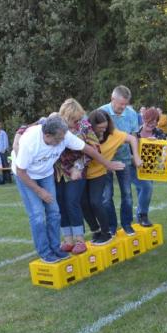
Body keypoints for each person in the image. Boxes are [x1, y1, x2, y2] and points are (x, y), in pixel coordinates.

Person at [17, 114, 127, 261]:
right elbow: (20, 172)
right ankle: (45, 252)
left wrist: (109, 164)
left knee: (54, 212)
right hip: (26, 176)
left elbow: (89, 150)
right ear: (47, 135)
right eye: (58, 140)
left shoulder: (64, 135)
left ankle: (56, 248)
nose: (63, 142)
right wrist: (40, 191)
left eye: (63, 138)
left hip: (46, 173)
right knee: (37, 215)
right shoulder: (29, 143)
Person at [81, 110, 141, 245]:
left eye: (105, 127)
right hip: (83, 174)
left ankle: (107, 231)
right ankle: (96, 230)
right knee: (84, 204)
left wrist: (136, 157)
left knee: (97, 202)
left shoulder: (114, 135)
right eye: (100, 128)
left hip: (99, 173)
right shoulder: (85, 136)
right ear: (91, 127)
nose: (103, 130)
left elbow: (132, 138)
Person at [54, 99, 99, 255]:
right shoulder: (55, 124)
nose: (76, 122)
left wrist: (79, 166)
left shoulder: (85, 126)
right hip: (58, 171)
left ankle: (80, 240)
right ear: (65, 117)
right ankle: (68, 240)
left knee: (72, 201)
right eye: (73, 120)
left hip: (77, 169)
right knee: (60, 203)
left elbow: (95, 148)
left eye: (78, 119)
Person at [99, 85, 139, 236]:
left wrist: (136, 156)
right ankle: (111, 227)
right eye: (121, 103)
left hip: (124, 160)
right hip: (105, 161)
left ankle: (127, 224)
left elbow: (134, 136)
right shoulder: (101, 112)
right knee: (106, 196)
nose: (123, 107)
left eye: (126, 104)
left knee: (127, 193)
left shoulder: (131, 114)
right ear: (112, 99)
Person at [132, 107, 165, 227]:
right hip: (134, 166)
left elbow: (164, 152)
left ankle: (139, 217)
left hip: (149, 167)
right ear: (144, 119)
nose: (153, 124)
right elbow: (129, 150)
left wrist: (156, 143)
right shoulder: (135, 132)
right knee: (147, 187)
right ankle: (142, 215)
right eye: (150, 122)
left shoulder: (159, 133)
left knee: (143, 190)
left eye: (155, 122)